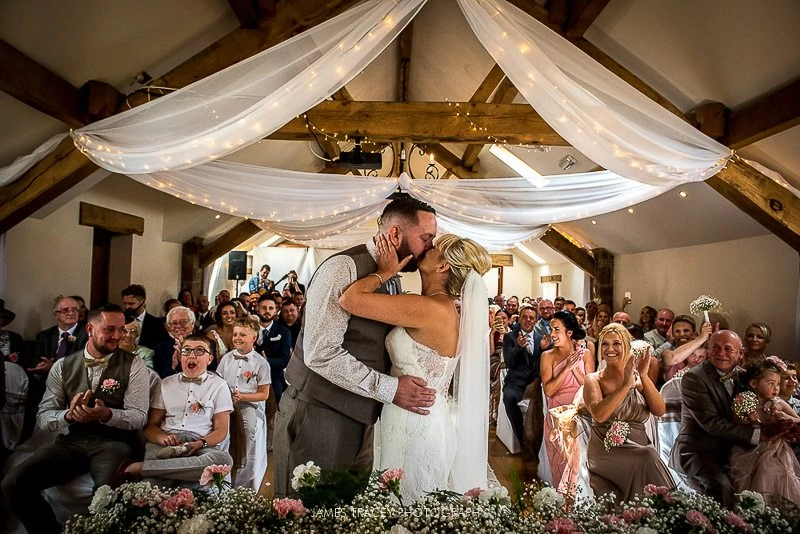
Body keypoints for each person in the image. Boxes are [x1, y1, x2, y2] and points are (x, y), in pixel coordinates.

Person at [274, 194, 438, 497]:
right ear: (395, 234)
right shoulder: (343, 268)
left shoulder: (392, 275)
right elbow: (321, 354)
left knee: (345, 514)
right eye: (426, 238)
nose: (430, 247)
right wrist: (392, 389)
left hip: (361, 415)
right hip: (319, 414)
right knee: (309, 513)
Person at [340, 233, 492, 502]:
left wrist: (384, 272)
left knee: (407, 505)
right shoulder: (447, 310)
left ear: (443, 266)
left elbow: (349, 300)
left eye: (434, 247)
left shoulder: (429, 308)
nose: (427, 248)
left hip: (413, 422)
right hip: (430, 416)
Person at [2, 304, 149, 534]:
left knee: (105, 495)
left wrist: (107, 414)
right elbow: (44, 416)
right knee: (13, 484)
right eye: (110, 329)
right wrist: (68, 415)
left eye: (121, 330)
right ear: (90, 328)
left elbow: (139, 416)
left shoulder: (135, 365)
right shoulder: (62, 366)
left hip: (116, 443)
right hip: (73, 443)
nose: (118, 336)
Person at [672, 330, 793, 507]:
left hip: (738, 449)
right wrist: (760, 434)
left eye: (728, 349)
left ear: (740, 354)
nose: (721, 353)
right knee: (723, 487)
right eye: (715, 347)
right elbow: (711, 424)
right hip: (702, 451)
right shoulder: (694, 378)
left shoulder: (744, 376)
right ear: (708, 350)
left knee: (775, 475)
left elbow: (767, 399)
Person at [118, 335, 233, 486]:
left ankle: (143, 468)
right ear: (180, 356)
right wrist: (162, 437)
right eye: (186, 351)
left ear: (209, 359)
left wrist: (200, 443)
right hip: (165, 445)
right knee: (151, 489)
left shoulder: (219, 385)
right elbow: (150, 426)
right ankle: (169, 471)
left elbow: (221, 430)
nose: (191, 355)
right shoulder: (165, 383)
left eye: (199, 351)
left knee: (223, 461)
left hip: (198, 445)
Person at [583, 322, 673, 502]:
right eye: (605, 344)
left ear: (626, 346)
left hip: (639, 446)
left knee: (647, 454)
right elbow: (599, 415)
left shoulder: (639, 379)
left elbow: (660, 410)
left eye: (616, 343)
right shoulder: (593, 379)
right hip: (606, 451)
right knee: (649, 455)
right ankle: (668, 507)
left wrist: (644, 376)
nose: (610, 349)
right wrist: (625, 386)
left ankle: (661, 514)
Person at [728, 360, 800, 505]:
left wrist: (784, 417)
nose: (776, 388)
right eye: (771, 383)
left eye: (778, 384)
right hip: (752, 448)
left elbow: (798, 419)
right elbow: (735, 421)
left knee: (781, 473)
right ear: (754, 384)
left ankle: (782, 509)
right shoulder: (746, 401)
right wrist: (748, 419)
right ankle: (759, 509)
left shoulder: (778, 402)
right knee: (760, 474)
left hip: (777, 449)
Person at [540, 310, 595, 489]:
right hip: (558, 416)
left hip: (581, 412)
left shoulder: (585, 354)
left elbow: (590, 388)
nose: (552, 334)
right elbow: (548, 390)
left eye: (556, 330)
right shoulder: (547, 356)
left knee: (582, 465)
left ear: (569, 332)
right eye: (551, 329)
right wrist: (566, 368)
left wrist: (575, 369)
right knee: (562, 466)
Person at [217, 318, 270, 491]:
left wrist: (244, 397)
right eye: (235, 334)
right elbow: (217, 381)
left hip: (248, 405)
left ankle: (241, 467)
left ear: (254, 338)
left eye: (242, 335)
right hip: (226, 403)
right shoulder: (226, 359)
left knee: (247, 428)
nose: (237, 338)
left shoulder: (261, 363)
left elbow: (264, 394)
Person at [503, 304, 541, 468]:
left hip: (535, 383)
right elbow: (509, 362)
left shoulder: (542, 337)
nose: (528, 320)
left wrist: (546, 349)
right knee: (509, 398)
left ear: (536, 320)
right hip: (516, 382)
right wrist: (518, 347)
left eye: (531, 318)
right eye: (524, 317)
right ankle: (523, 443)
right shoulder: (510, 337)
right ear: (519, 318)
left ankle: (538, 447)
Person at [254, 294, 291, 403]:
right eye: (263, 308)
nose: (267, 311)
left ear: (276, 311)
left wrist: (266, 362)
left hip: (274, 377)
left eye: (271, 308)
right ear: (257, 309)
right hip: (251, 376)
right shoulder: (250, 329)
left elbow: (285, 359)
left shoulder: (283, 332)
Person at [121, 284, 168, 350]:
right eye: (125, 303)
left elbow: (164, 347)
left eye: (131, 304)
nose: (127, 307)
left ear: (142, 301)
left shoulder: (156, 324)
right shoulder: (120, 321)